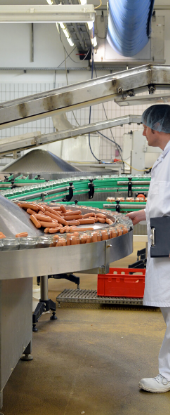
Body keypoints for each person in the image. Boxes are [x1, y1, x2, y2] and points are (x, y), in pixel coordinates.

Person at [126, 104, 170, 393]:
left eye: (144, 126)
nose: (142, 132)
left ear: (156, 129)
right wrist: (143, 214)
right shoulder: (165, 157)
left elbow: (163, 205)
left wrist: (150, 212)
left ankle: (167, 375)